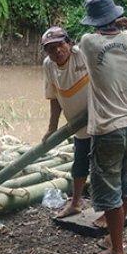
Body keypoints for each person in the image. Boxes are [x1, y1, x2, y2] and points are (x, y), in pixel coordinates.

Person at [79, 0, 127, 254]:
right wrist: (122, 28)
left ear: (94, 21)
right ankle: (113, 241)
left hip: (107, 129)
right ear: (116, 16)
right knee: (125, 185)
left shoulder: (88, 43)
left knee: (109, 193)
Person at [41, 26, 103, 225]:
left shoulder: (82, 54)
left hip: (100, 120)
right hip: (77, 126)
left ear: (69, 43)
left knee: (103, 168)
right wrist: (52, 128)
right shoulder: (48, 66)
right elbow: (54, 98)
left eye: (60, 45)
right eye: (51, 49)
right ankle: (76, 202)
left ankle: (106, 212)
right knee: (79, 166)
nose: (57, 51)